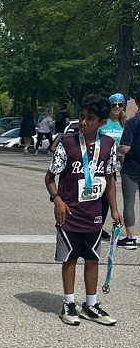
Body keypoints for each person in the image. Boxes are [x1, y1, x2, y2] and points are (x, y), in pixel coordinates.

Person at [45, 95, 121, 326]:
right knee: (70, 258)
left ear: (102, 122)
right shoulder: (67, 144)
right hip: (68, 212)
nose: (84, 122)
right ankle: (68, 303)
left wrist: (115, 210)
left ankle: (91, 304)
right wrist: (57, 199)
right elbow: (50, 177)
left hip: (95, 213)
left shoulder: (108, 145)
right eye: (82, 117)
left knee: (92, 259)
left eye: (90, 118)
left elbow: (110, 179)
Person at [98, 93, 126, 240]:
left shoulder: (124, 125)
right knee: (96, 196)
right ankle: (93, 226)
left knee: (107, 198)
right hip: (99, 163)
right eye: (114, 104)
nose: (117, 107)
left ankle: (99, 227)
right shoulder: (103, 123)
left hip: (113, 166)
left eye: (120, 105)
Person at [117, 88, 140, 250]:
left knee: (129, 202)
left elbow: (125, 148)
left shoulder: (132, 122)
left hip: (132, 168)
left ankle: (130, 238)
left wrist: (115, 147)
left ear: (137, 102)